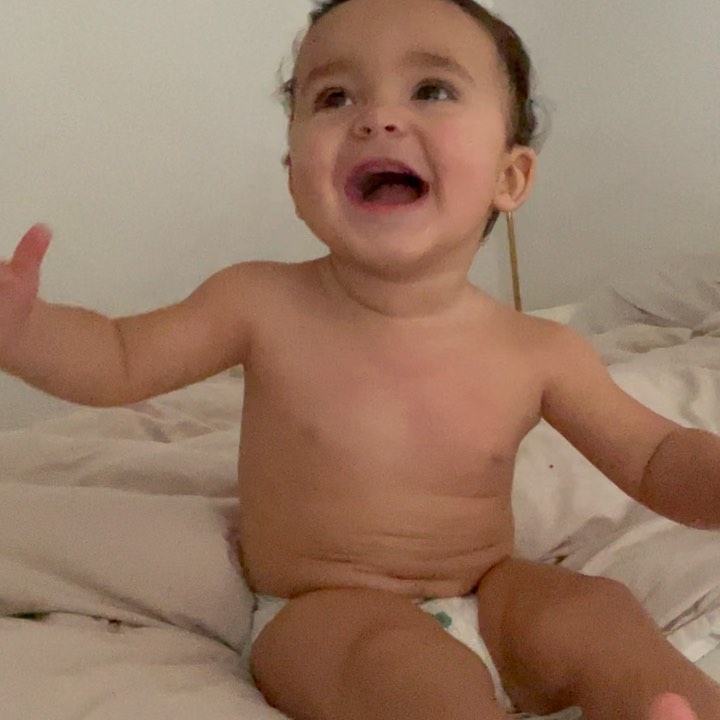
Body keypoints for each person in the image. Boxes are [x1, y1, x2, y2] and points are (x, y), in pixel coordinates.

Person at [1, 0, 718, 718]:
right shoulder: (258, 302)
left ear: (510, 177)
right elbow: (120, 357)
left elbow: (654, 457)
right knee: (403, 672)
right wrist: (24, 330)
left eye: (431, 89)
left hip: (489, 587)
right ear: (295, 177)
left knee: (598, 614)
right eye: (335, 97)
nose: (377, 118)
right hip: (325, 611)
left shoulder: (540, 350)